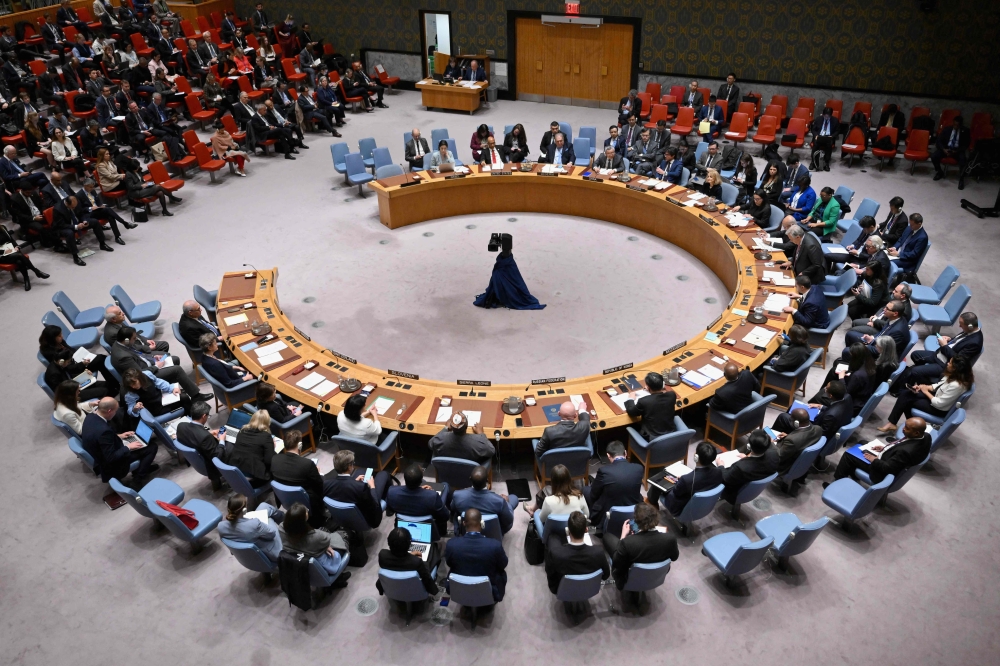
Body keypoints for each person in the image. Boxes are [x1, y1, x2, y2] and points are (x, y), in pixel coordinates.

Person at [894, 312, 982, 391]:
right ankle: (916, 375)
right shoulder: (969, 331)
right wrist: (950, 339)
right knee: (915, 355)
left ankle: (923, 384)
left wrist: (944, 345)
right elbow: (960, 342)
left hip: (945, 364)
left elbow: (958, 360)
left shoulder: (975, 343)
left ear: (970, 326)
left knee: (915, 371)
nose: (959, 326)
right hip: (940, 355)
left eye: (961, 324)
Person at [879, 357, 973, 431]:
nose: (948, 363)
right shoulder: (954, 376)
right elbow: (937, 385)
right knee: (906, 394)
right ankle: (901, 424)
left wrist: (925, 391)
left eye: (950, 363)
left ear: (955, 369)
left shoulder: (956, 385)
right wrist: (923, 387)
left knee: (907, 400)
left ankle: (912, 427)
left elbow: (939, 404)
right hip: (936, 397)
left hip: (938, 408)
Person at [831, 417, 932, 485]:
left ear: (916, 433)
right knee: (862, 442)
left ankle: (837, 482)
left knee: (848, 454)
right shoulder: (926, 436)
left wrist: (874, 460)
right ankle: (853, 473)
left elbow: (887, 468)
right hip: (889, 456)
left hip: (879, 470)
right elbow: (902, 445)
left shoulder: (905, 452)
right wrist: (886, 447)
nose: (903, 429)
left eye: (907, 428)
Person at [81, 397, 159, 484]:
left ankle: (143, 467)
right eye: (115, 411)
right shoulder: (104, 431)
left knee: (141, 444)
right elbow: (111, 457)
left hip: (100, 455)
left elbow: (99, 438)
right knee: (152, 447)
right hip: (110, 465)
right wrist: (128, 447)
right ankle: (138, 479)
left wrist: (120, 436)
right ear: (109, 411)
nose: (116, 413)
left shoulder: (90, 417)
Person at [606, 502, 678, 590]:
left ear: (636, 522)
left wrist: (623, 536)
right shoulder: (670, 539)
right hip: (656, 576)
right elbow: (674, 558)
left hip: (626, 579)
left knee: (607, 537)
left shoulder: (627, 543)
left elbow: (617, 563)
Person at [445, 508, 507, 602]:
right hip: (490, 590)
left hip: (458, 589)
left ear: (463, 523)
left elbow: (449, 563)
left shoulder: (451, 544)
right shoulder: (495, 545)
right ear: (482, 524)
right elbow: (503, 564)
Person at [40, 325, 118, 399]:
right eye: (59, 336)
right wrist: (82, 365)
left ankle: (115, 384)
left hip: (73, 371)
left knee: (101, 361)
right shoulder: (55, 365)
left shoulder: (60, 348)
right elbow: (67, 372)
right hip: (72, 385)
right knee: (106, 389)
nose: (62, 337)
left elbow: (71, 352)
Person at [280, 503, 351, 584]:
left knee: (325, 529)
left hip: (302, 560)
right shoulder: (316, 537)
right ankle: (338, 578)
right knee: (345, 535)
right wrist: (326, 546)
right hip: (324, 563)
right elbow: (326, 539)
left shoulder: (281, 528)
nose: (307, 511)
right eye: (306, 512)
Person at [473, 232, 546, 310]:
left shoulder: (502, 267)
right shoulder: (502, 266)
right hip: (505, 263)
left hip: (506, 263)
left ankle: (502, 295)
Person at [544, 510, 610, 594]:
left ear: (568, 531)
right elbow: (605, 575)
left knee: (552, 538)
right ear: (586, 530)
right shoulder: (598, 552)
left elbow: (551, 577)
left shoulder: (556, 554)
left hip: (561, 590)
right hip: (589, 589)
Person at [323, 449, 391, 530]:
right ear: (349, 467)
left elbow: (342, 490)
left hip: (341, 515)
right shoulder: (361, 487)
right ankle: (390, 508)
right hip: (366, 518)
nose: (353, 465)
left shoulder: (325, 484)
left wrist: (354, 482)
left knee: (361, 470)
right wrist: (372, 487)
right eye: (352, 464)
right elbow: (374, 506)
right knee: (383, 474)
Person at [269, 430, 326, 526]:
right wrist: (317, 473)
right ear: (300, 445)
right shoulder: (307, 464)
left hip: (286, 500)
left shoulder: (275, 459)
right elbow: (320, 486)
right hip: (308, 503)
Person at [582, 440, 643, 525]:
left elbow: (593, 494)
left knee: (585, 490)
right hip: (632, 507)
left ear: (608, 455)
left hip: (609, 510)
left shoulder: (604, 471)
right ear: (625, 453)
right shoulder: (639, 468)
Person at [386, 464, 450, 539]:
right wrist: (428, 492)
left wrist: (420, 489)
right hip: (428, 528)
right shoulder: (432, 496)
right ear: (420, 481)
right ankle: (443, 531)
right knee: (445, 485)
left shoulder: (392, 492)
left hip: (402, 529)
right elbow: (445, 516)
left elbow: (390, 511)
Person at [450, 465, 519, 535]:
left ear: (470, 478)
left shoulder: (457, 495)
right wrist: (506, 502)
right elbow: (508, 521)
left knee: (456, 514)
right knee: (514, 498)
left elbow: (452, 508)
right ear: (487, 480)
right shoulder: (499, 501)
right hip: (494, 532)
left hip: (467, 528)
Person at [661, 442, 723, 515]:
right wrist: (721, 465)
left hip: (681, 507)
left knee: (658, 484)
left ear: (696, 457)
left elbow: (676, 492)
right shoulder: (719, 471)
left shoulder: (686, 480)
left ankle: (651, 503)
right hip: (703, 505)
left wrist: (679, 481)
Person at [175, 401, 226, 489]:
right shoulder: (204, 437)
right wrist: (222, 440)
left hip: (197, 459)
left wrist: (208, 433)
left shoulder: (181, 426)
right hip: (210, 464)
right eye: (208, 415)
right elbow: (218, 455)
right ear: (203, 416)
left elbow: (192, 437)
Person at [525, 463, 589, 534]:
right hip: (574, 532)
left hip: (554, 533)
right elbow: (586, 515)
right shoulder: (580, 496)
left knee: (537, 514)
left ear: (552, 482)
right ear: (569, 479)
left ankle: (531, 510)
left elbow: (542, 519)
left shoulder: (548, 501)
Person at [217, 494, 284, 562]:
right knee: (269, 518)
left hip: (246, 555)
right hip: (272, 553)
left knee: (263, 506)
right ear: (244, 510)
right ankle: (286, 520)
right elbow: (272, 534)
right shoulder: (255, 524)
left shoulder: (221, 526)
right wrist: (262, 525)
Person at [720, 429, 779, 504]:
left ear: (750, 446)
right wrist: (747, 458)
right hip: (753, 488)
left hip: (734, 492)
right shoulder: (774, 455)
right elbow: (757, 465)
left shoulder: (741, 467)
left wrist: (721, 466)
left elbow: (725, 478)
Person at [376, 527, 439, 596]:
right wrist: (421, 560)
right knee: (434, 554)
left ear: (388, 542)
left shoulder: (382, 555)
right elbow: (427, 579)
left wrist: (410, 556)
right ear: (409, 544)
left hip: (392, 587)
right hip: (414, 590)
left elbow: (397, 561)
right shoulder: (417, 562)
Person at [815, 342, 877, 413]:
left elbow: (846, 393)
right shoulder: (870, 363)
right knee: (833, 371)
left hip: (852, 403)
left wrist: (841, 378)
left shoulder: (857, 375)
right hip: (860, 393)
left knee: (819, 397)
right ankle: (826, 390)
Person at [52, 194, 111, 263]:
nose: (74, 208)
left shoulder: (76, 202)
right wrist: (76, 226)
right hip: (63, 227)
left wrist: (84, 221)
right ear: (67, 203)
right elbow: (61, 224)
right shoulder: (57, 209)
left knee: (94, 222)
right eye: (72, 207)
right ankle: (75, 256)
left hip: (77, 222)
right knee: (69, 233)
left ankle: (102, 244)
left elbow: (81, 213)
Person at [843, 299, 909, 360]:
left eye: (887, 309)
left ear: (895, 313)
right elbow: (882, 332)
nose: (884, 310)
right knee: (850, 334)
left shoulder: (898, 331)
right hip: (877, 343)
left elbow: (881, 351)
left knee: (847, 351)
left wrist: (864, 346)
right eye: (885, 307)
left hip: (881, 356)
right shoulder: (894, 319)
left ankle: (854, 362)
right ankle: (854, 359)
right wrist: (872, 337)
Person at [769, 407, 824, 478]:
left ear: (796, 423)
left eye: (791, 419)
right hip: (799, 456)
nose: (789, 420)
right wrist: (789, 436)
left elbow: (778, 457)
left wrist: (771, 443)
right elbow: (803, 438)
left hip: (785, 465)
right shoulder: (818, 429)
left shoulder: (792, 440)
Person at [846, 283, 912, 339]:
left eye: (896, 291)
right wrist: (876, 316)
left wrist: (875, 322)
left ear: (902, 296)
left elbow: (890, 325)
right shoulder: (896, 298)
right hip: (880, 319)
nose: (893, 291)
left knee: (853, 331)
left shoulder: (904, 312)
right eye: (894, 289)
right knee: (855, 322)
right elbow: (884, 307)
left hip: (882, 329)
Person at [622, 371, 677, 440]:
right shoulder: (672, 395)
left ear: (648, 387)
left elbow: (631, 412)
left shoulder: (644, 401)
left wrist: (630, 398)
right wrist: (650, 390)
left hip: (652, 438)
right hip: (672, 434)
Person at [227, 410, 275, 486]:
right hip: (255, 475)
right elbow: (269, 461)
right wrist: (272, 446)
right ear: (267, 423)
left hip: (237, 470)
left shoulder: (242, 431)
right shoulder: (266, 436)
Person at [121, 367, 192, 418]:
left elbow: (158, 382)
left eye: (134, 383)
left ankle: (189, 416)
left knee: (183, 396)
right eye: (130, 385)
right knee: (184, 399)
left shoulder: (147, 374)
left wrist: (171, 388)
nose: (133, 386)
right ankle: (189, 416)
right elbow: (130, 410)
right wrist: (135, 408)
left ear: (140, 378)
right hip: (155, 409)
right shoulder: (129, 394)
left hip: (162, 399)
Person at [428, 412, 495, 463]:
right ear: (467, 425)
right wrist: (481, 433)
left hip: (446, 470)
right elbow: (491, 450)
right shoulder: (478, 442)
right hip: (471, 472)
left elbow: (430, 444)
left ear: (451, 426)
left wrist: (445, 428)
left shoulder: (440, 439)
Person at [0, 222, 48, 291]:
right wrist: (4, 251)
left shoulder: (2, 227)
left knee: (19, 261)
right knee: (19, 256)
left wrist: (17, 246)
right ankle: (36, 271)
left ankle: (26, 279)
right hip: (2, 256)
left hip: (11, 250)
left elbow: (11, 240)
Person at [887, 213, 928, 280]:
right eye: (910, 224)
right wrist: (894, 247)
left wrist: (899, 254)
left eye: (912, 225)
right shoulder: (909, 228)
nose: (910, 226)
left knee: (887, 262)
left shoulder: (922, 237)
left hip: (907, 260)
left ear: (919, 224)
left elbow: (914, 254)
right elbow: (901, 239)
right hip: (898, 252)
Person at [932, 116, 970, 188]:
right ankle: (939, 172)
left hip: (957, 150)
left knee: (963, 159)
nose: (956, 126)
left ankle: (961, 178)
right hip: (946, 149)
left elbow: (966, 145)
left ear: (961, 125)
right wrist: (943, 149)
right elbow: (939, 141)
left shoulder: (965, 131)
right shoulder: (947, 129)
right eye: (955, 125)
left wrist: (955, 151)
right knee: (934, 156)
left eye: (957, 125)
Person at [811, 106, 839, 171]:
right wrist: (816, 135)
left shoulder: (835, 120)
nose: (826, 117)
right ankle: (813, 162)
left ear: (831, 115)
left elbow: (837, 131)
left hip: (828, 137)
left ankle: (826, 162)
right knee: (815, 146)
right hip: (819, 136)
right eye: (825, 116)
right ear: (823, 114)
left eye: (828, 116)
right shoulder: (818, 119)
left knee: (829, 146)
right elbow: (813, 129)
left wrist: (832, 136)